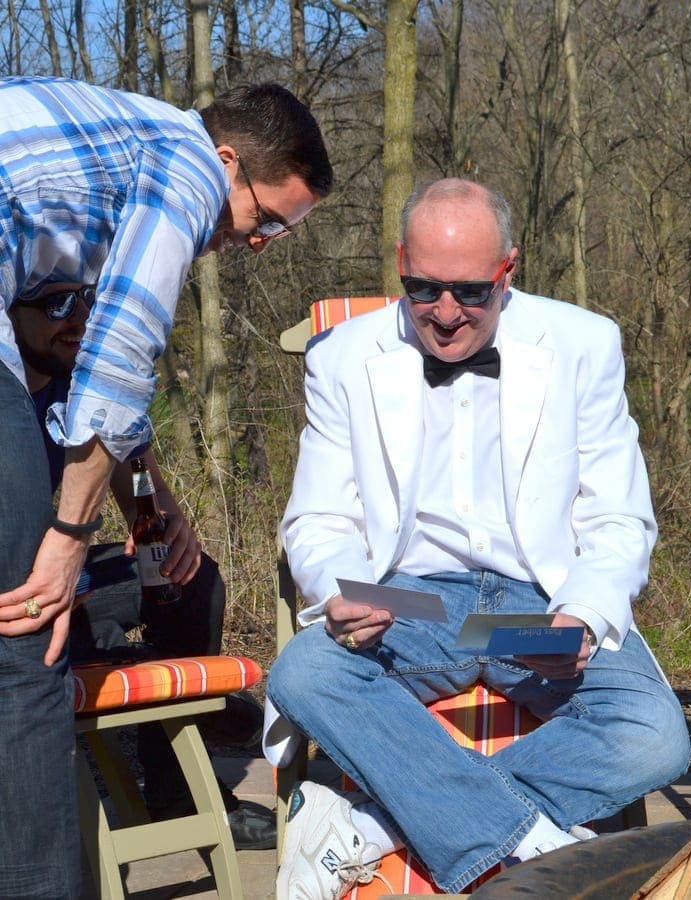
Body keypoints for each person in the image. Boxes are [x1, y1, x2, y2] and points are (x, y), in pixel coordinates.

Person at [265, 179, 690, 899]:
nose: (447, 313)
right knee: (304, 672)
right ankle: (531, 844)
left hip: (534, 607)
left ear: (509, 272)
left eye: (470, 291)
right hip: (417, 607)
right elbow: (318, 520)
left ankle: (372, 822)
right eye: (423, 288)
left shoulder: (585, 344)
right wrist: (343, 590)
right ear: (400, 262)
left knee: (653, 732)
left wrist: (581, 614)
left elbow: (619, 518)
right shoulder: (341, 357)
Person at [0, 75, 331, 898]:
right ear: (228, 161)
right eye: (270, 219)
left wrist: (159, 510)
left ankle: (178, 792)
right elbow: (118, 353)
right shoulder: (182, 163)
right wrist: (71, 539)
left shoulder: (104, 154)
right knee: (24, 641)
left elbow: (92, 384)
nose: (260, 243)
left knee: (168, 586)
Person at [8, 281, 275, 851]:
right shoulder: (7, 395)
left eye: (86, 297)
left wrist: (169, 530)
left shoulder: (86, 382)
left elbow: (144, 493)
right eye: (56, 304)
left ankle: (176, 793)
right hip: (16, 590)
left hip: (73, 574)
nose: (78, 317)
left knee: (191, 578)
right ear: (10, 308)